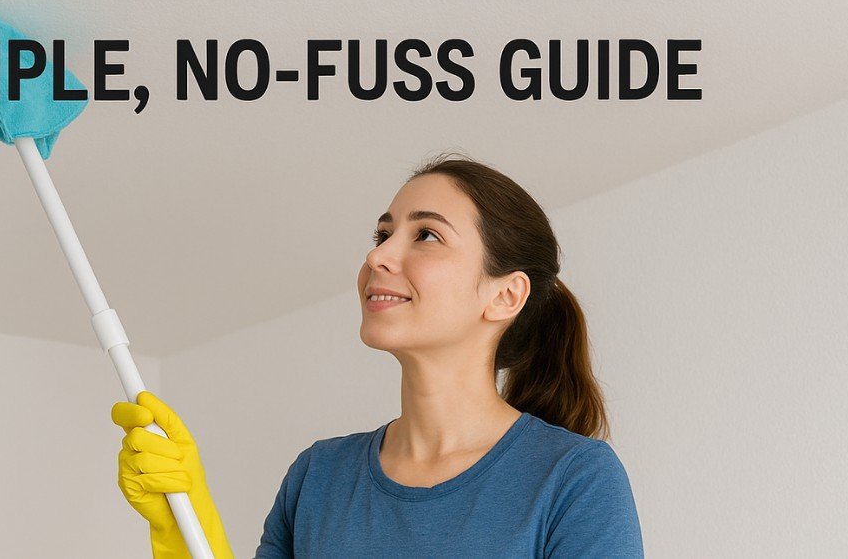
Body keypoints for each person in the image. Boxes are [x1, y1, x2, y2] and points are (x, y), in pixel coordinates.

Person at [111, 152, 644, 558]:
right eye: (383, 232)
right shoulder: (318, 476)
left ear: (504, 295)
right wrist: (181, 527)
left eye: (427, 234)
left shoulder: (574, 479)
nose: (378, 255)